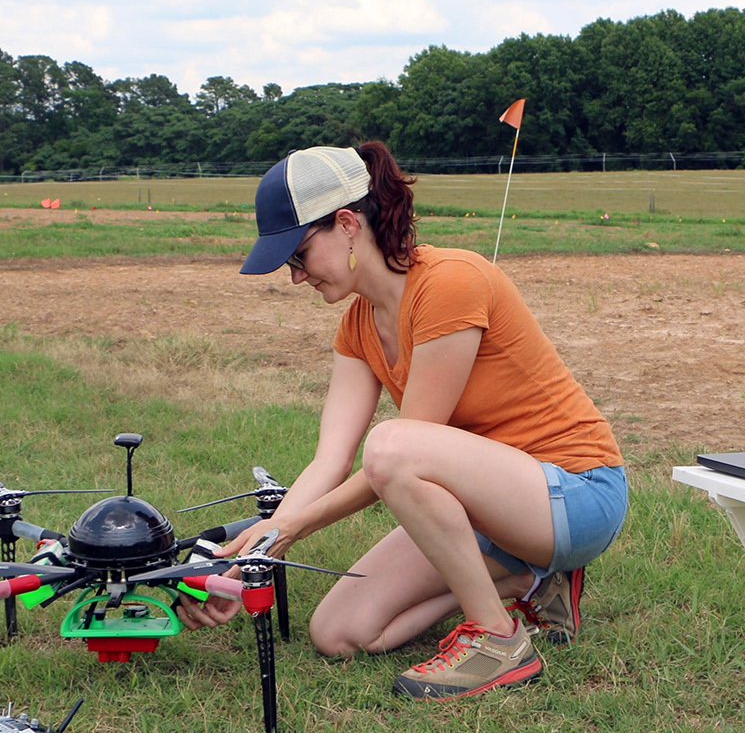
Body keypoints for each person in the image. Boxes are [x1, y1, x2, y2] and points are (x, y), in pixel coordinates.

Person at [176, 143, 628, 700]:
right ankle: (530, 580)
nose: (295, 278)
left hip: (574, 493)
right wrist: (257, 552)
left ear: (346, 224)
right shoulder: (357, 326)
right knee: (337, 632)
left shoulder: (449, 283)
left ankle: (497, 639)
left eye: (297, 255)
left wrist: (291, 529)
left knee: (392, 445)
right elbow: (330, 460)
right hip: (491, 514)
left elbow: (406, 450)